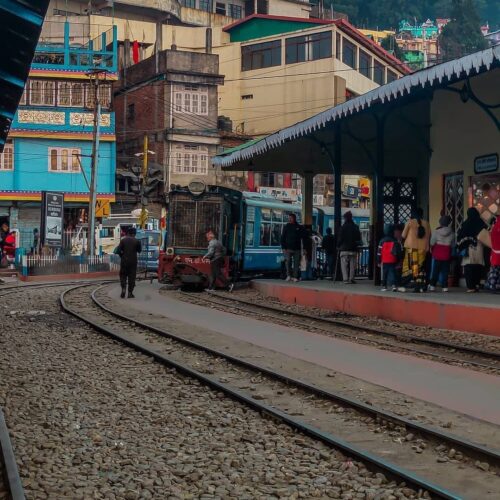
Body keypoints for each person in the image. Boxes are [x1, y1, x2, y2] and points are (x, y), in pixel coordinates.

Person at [457, 207, 487, 293]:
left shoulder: (466, 223)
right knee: (478, 266)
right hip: (479, 246)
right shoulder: (481, 222)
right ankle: (477, 284)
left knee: (469, 267)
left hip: (469, 247)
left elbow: (461, 236)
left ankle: (471, 287)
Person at [402, 208, 431, 292]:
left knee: (410, 267)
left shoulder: (410, 222)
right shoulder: (427, 223)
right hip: (423, 248)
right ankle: (420, 286)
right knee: (420, 267)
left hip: (411, 248)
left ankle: (406, 283)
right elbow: (429, 236)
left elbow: (403, 235)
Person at [428, 215, 455, 292]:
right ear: (449, 223)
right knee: (445, 271)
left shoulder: (436, 232)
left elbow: (432, 243)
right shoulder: (452, 233)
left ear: (440, 222)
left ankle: (432, 285)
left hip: (437, 253)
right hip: (446, 253)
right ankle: (445, 287)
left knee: (435, 270)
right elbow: (453, 245)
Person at [116, 227, 142, 298]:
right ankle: (130, 293)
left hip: (124, 261)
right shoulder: (137, 241)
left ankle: (123, 289)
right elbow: (139, 250)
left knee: (123, 275)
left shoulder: (123, 240)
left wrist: (122, 256)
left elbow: (118, 251)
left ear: (128, 233)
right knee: (132, 277)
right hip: (133, 261)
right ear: (135, 234)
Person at [337, 211, 361, 284]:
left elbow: (340, 239)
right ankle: (351, 279)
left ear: (345, 218)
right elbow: (359, 238)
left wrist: (338, 246)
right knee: (353, 266)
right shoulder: (356, 227)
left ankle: (345, 279)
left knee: (344, 265)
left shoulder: (342, 227)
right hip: (353, 249)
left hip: (344, 249)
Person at [377, 224, 403, 291]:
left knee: (384, 274)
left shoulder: (381, 241)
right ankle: (394, 286)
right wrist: (399, 261)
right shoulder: (395, 241)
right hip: (393, 260)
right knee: (393, 273)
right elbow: (398, 252)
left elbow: (379, 253)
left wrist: (379, 261)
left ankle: (384, 286)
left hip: (385, 260)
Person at [281, 213, 303, 282]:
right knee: (288, 262)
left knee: (296, 263)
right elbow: (282, 237)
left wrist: (303, 248)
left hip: (297, 248)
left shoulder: (299, 227)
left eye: (291, 218)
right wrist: (283, 248)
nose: (289, 219)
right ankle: (288, 275)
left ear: (294, 218)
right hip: (288, 248)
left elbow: (302, 237)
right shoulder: (286, 226)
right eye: (289, 218)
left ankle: (295, 277)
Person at [485, 217, 500, 293]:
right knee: (497, 271)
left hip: (494, 252)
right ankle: (494, 286)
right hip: (498, 251)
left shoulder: (494, 227)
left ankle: (491, 285)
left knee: (494, 270)